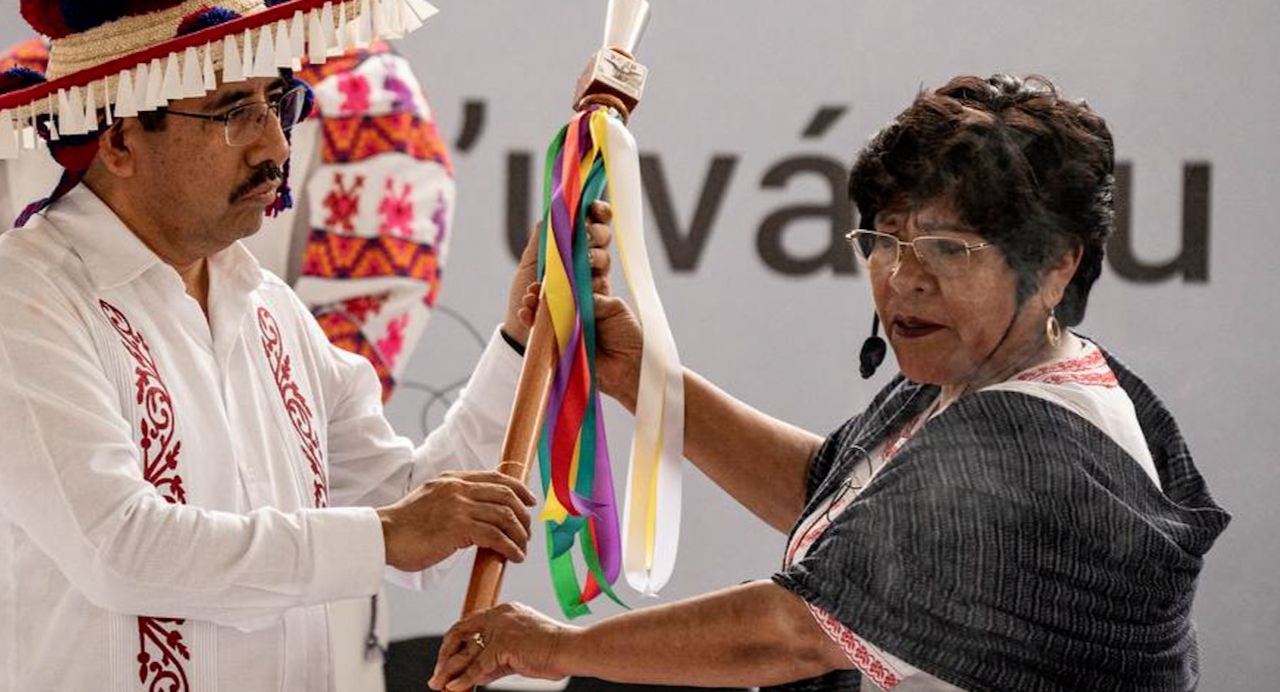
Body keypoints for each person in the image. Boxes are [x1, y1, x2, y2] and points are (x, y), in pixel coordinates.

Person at [0, 0, 607, 692]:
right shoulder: (14, 304)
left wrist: (520, 338)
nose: (275, 142)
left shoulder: (267, 307)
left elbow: (410, 511)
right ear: (121, 138)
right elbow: (120, 551)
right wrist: (386, 535)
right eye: (235, 111)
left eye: (279, 101)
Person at [431, 74, 1231, 692]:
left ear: (1057, 265)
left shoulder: (1032, 446)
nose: (901, 280)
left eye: (947, 248)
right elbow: (838, 497)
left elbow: (796, 629)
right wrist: (644, 380)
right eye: (883, 240)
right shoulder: (990, 373)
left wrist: (554, 648)